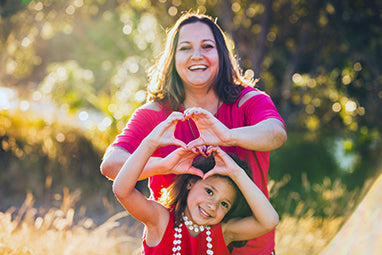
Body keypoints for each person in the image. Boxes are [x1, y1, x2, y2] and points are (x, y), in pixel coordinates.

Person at [101, 11, 287, 254]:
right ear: (173, 58)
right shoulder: (155, 113)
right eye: (186, 48)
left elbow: (276, 133)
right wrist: (167, 165)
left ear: (221, 55)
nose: (197, 55)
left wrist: (227, 136)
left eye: (207, 46)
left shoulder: (248, 101)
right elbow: (112, 165)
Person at [112, 113, 279, 255]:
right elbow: (122, 191)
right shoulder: (160, 219)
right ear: (190, 183)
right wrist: (152, 146)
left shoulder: (224, 232)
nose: (213, 206)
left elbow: (269, 221)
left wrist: (236, 173)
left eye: (224, 204)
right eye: (210, 191)